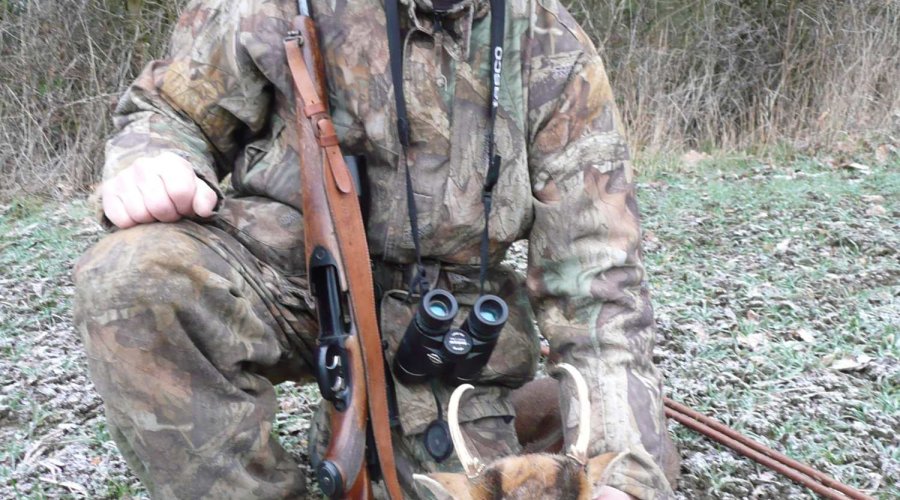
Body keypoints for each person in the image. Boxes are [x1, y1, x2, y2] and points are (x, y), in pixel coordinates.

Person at [74, 0, 679, 498]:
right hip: (296, 275)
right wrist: (155, 158)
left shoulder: (554, 50)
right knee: (131, 279)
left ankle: (479, 420)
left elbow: (601, 287)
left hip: (449, 330)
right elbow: (168, 109)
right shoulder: (274, 7)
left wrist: (623, 477)